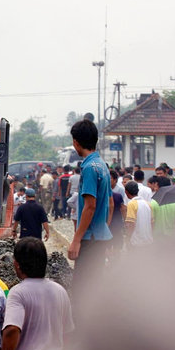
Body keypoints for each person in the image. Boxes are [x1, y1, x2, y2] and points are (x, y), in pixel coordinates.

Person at [1, 238, 74, 350]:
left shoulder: (18, 293)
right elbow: (68, 332)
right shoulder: (60, 291)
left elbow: (12, 329)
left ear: (17, 265)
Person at [68, 120, 113, 282]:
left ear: (76, 142)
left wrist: (76, 240)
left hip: (90, 239)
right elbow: (110, 202)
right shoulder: (102, 165)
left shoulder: (89, 169)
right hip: (101, 236)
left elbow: (90, 206)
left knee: (82, 287)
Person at [124, 181, 153, 248]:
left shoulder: (131, 204)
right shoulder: (148, 204)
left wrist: (128, 238)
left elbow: (131, 224)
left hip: (136, 241)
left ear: (126, 192)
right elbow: (152, 223)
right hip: (148, 240)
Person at [108, 169, 127, 256]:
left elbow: (123, 207)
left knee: (116, 238)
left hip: (116, 219)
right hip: (107, 220)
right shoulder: (104, 190)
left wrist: (125, 220)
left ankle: (115, 255)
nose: (108, 180)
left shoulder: (120, 190)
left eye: (110, 178)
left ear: (115, 180)